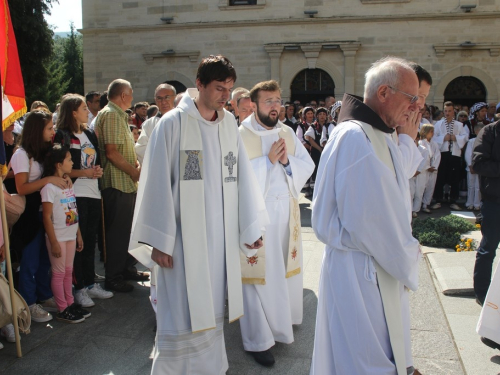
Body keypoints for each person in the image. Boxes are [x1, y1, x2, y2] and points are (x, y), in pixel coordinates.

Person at [128, 55, 268, 374]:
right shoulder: (173, 124)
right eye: (219, 88)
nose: (225, 96)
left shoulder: (228, 124)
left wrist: (250, 228)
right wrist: (159, 240)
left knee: (210, 312)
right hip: (181, 241)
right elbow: (157, 183)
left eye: (229, 89)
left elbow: (241, 178)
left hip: (217, 239)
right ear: (200, 84)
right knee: (182, 311)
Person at [310, 57, 422, 375]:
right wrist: (408, 252)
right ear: (384, 92)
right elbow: (371, 223)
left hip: (368, 263)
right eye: (411, 98)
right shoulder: (356, 138)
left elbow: (390, 193)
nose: (415, 107)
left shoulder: (377, 135)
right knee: (363, 358)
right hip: (360, 267)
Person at [238, 80, 314, 366]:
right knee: (257, 276)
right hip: (257, 215)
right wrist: (267, 162)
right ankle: (258, 340)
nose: (275, 106)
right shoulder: (240, 135)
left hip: (287, 213)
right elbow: (233, 180)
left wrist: (285, 164)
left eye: (278, 100)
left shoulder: (287, 132)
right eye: (268, 101)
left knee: (283, 269)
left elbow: (307, 165)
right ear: (254, 104)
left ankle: (283, 321)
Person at [10, 111, 71, 322]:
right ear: (37, 130)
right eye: (49, 128)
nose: (53, 132)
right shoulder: (21, 154)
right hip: (29, 216)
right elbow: (21, 187)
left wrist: (61, 178)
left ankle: (44, 295)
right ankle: (28, 303)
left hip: (46, 211)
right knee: (30, 261)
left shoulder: (41, 151)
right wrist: (49, 181)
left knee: (46, 259)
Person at [54, 94, 112, 309]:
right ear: (73, 112)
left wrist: (96, 171)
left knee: (89, 241)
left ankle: (89, 283)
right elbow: (61, 167)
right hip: (74, 193)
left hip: (93, 192)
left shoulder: (89, 133)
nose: (88, 111)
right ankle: (78, 288)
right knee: (78, 243)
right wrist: (85, 172)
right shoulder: (62, 135)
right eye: (83, 108)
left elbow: (94, 160)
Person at [95, 79, 146, 293]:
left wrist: (134, 163)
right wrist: (134, 171)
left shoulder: (117, 114)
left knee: (126, 231)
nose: (132, 99)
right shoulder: (112, 114)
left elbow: (121, 150)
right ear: (123, 95)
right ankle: (114, 276)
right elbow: (112, 152)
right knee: (117, 233)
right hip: (117, 183)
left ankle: (125, 268)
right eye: (131, 94)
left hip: (124, 183)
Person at [41, 144, 89, 323]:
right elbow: (46, 216)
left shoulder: (68, 183)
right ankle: (62, 308)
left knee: (69, 271)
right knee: (59, 272)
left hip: (70, 234)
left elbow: (72, 210)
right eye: (69, 159)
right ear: (58, 164)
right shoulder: (49, 187)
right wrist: (53, 241)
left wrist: (78, 234)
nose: (72, 162)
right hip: (58, 237)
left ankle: (70, 303)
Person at [472, 120, 500, 306]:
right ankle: (483, 294)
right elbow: (478, 163)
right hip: (494, 202)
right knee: (488, 249)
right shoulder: (490, 132)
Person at [432, 101, 468, 210]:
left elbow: (465, 137)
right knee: (441, 176)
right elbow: (434, 138)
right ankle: (438, 199)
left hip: (455, 154)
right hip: (443, 153)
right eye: (446, 111)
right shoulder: (438, 124)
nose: (447, 113)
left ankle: (453, 200)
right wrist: (443, 138)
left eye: (450, 111)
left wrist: (455, 138)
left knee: (454, 177)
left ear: (453, 112)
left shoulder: (459, 125)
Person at [135, 84, 176, 164]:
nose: (163, 102)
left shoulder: (184, 119)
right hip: (158, 168)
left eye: (167, 97)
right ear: (155, 100)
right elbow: (140, 149)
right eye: (159, 98)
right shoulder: (149, 124)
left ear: (174, 98)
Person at [305, 107, 328, 195]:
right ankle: (313, 188)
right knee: (316, 168)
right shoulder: (313, 126)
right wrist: (319, 148)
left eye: (324, 114)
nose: (322, 116)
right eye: (320, 114)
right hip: (316, 151)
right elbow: (310, 139)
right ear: (317, 116)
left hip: (326, 151)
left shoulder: (329, 126)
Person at [420, 124, 441, 213]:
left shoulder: (434, 144)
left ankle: (425, 204)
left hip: (432, 169)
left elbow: (437, 155)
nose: (432, 133)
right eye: (431, 131)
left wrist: (434, 166)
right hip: (423, 169)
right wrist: (427, 166)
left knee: (430, 187)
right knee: (421, 187)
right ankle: (417, 205)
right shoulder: (420, 143)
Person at [410, 133, 430, 218]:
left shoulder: (424, 150)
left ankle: (415, 210)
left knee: (419, 192)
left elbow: (424, 162)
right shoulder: (409, 148)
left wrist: (417, 171)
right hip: (410, 173)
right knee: (410, 192)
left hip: (420, 174)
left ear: (418, 138)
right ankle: (409, 209)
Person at [465, 123, 484, 210]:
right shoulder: (471, 141)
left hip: (480, 167)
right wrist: (470, 165)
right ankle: (470, 203)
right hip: (471, 167)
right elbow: (468, 154)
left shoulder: (485, 142)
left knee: (478, 186)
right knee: (471, 186)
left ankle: (477, 204)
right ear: (476, 131)